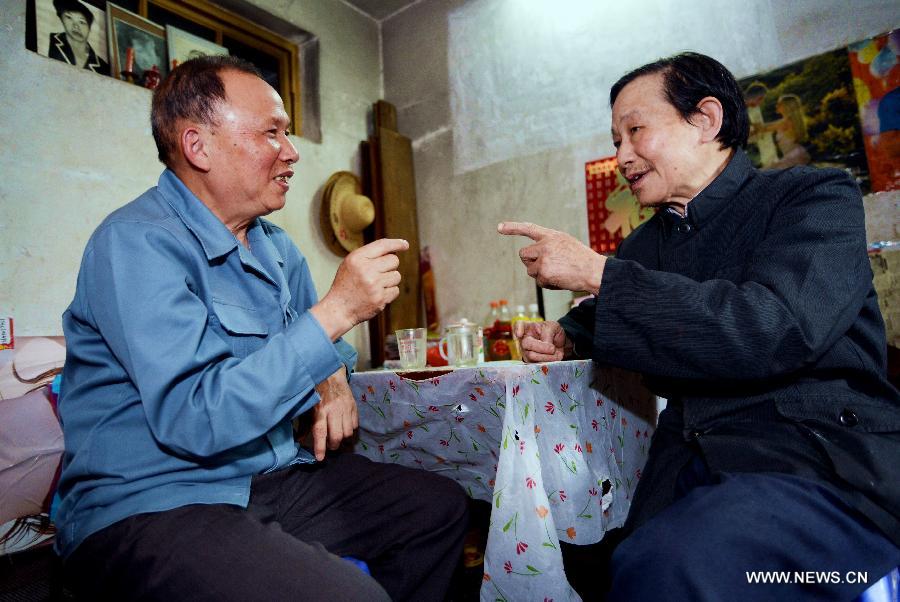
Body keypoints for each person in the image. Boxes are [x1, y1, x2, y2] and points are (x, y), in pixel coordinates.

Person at [55, 55, 468, 601]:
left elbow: (325, 353)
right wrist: (337, 311)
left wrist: (333, 378)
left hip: (263, 478)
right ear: (198, 146)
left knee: (438, 509)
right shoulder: (135, 243)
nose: (292, 151)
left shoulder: (276, 249)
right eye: (271, 132)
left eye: (289, 133)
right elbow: (195, 418)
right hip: (153, 499)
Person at [499, 52, 900, 600]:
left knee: (669, 566)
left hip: (813, 456)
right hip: (687, 457)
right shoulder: (647, 242)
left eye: (635, 130)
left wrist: (598, 272)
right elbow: (617, 310)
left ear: (706, 120)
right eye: (615, 139)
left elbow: (772, 327)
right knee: (584, 563)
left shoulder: (812, 197)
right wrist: (567, 334)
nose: (621, 155)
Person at [47, 0, 109, 75]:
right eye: (69, 17)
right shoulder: (49, 41)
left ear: (89, 27)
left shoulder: (103, 66)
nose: (75, 26)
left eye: (82, 22)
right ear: (62, 19)